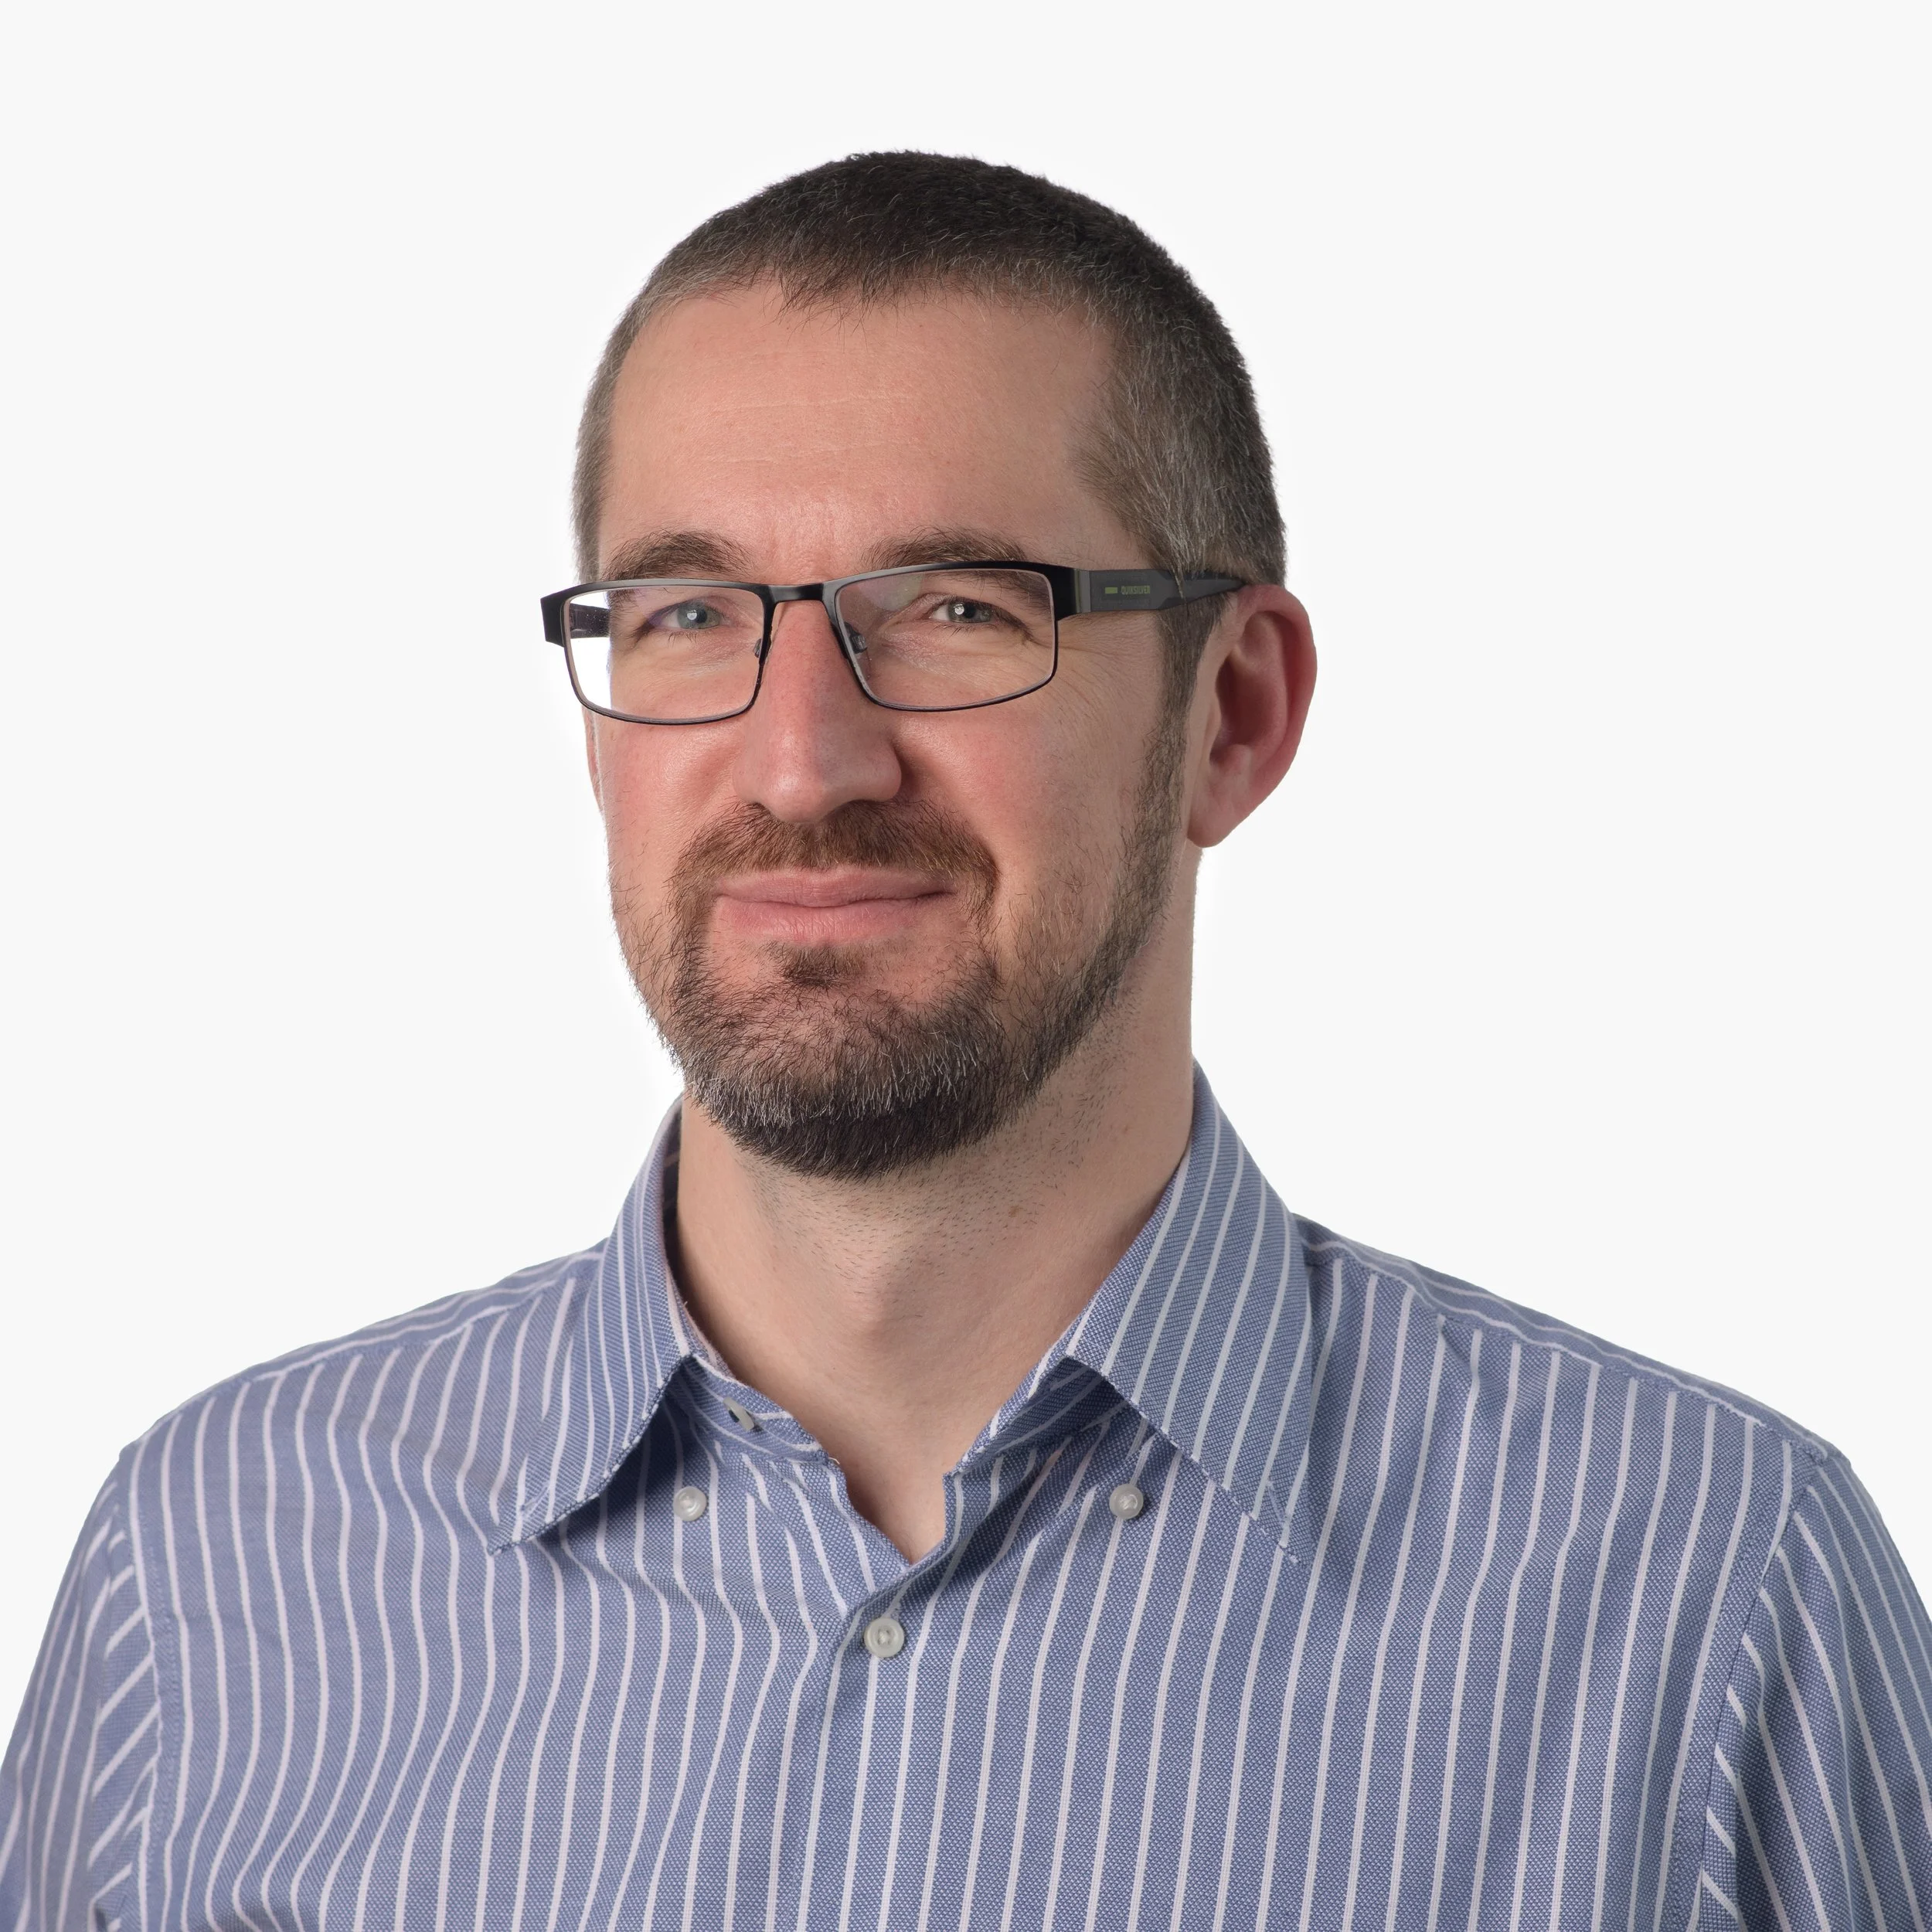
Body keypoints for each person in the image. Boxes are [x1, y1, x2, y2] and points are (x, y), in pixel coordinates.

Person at [3, 151, 1926, 1932]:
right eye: (687, 612)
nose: (802, 760)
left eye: (950, 607)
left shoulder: (1701, 1594)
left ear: (1232, 714)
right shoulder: (211, 1571)